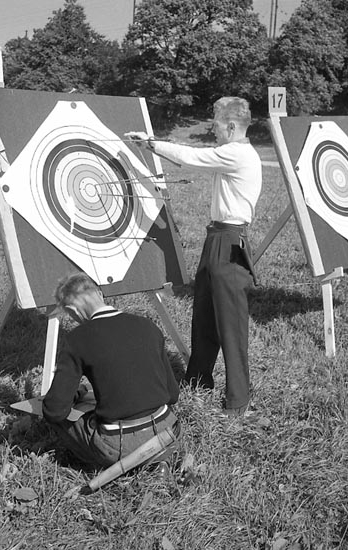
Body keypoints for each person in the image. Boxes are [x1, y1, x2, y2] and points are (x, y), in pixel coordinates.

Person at [125, 96, 262, 416]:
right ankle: (199, 381)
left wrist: (150, 144)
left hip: (229, 241)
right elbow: (192, 155)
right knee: (204, 316)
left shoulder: (238, 153)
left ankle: (238, 401)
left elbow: (191, 157)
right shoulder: (232, 152)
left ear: (231, 127)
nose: (212, 130)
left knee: (231, 326)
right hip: (216, 238)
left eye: (216, 125)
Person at [42, 272, 180, 469]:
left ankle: (119, 461)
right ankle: (158, 460)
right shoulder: (148, 326)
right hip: (169, 430)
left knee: (57, 417)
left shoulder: (77, 339)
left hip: (119, 444)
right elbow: (173, 395)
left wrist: (75, 398)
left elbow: (54, 410)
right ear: (99, 293)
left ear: (72, 310)